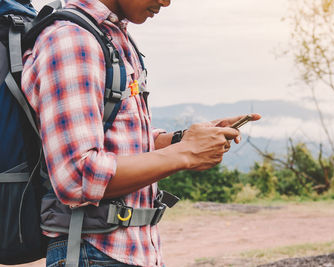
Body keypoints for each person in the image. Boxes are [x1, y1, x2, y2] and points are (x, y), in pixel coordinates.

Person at [21, 0, 261, 266]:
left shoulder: (111, 34)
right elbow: (77, 176)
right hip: (94, 252)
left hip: (130, 252)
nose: (166, 2)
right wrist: (186, 153)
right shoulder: (71, 39)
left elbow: (121, 140)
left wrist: (183, 139)